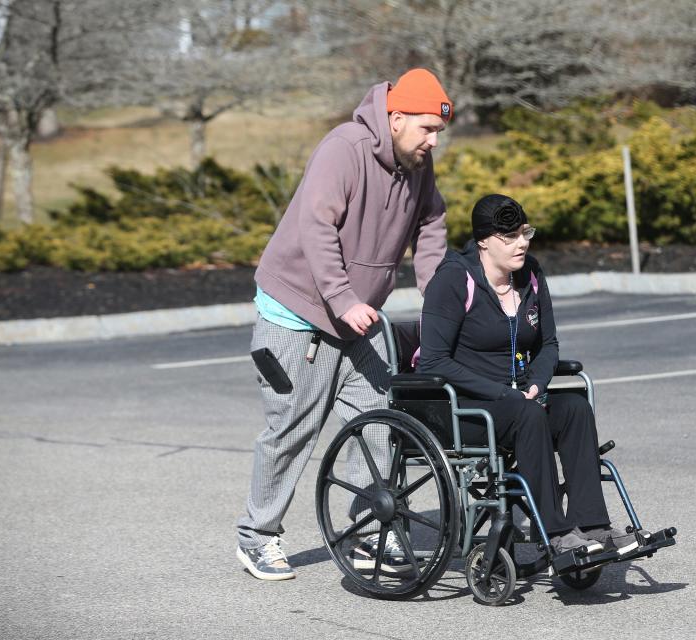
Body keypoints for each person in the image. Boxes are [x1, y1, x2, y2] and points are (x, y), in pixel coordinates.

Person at [236, 69, 453, 580]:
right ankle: (257, 536)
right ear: (396, 119)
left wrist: (437, 292)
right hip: (298, 313)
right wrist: (340, 296)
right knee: (291, 429)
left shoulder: (418, 165)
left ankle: (367, 533)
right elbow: (317, 226)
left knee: (377, 423)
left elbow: (431, 222)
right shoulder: (345, 148)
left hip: (360, 316)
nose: (434, 140)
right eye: (426, 128)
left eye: (439, 130)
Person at [418, 194, 637, 554]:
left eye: (525, 233)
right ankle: (556, 534)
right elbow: (434, 362)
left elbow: (549, 343)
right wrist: (505, 393)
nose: (522, 243)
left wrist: (536, 381)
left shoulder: (531, 274)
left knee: (573, 409)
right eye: (510, 236)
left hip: (521, 399)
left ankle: (593, 525)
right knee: (529, 414)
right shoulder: (454, 281)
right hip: (468, 408)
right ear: (484, 240)